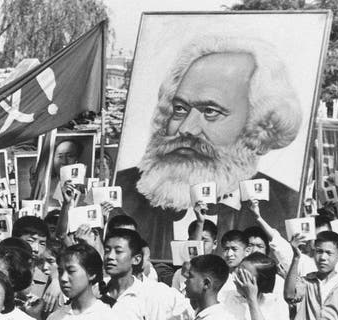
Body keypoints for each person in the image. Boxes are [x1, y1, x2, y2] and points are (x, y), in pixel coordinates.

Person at [115, 36, 303, 260]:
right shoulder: (123, 195)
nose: (186, 129)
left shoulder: (284, 205)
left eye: (210, 111)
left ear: (257, 126)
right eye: (180, 108)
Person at [103, 228, 190, 320]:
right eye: (107, 251)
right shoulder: (95, 291)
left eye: (118, 251)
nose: (110, 256)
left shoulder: (153, 294)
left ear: (136, 259)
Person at [284, 231, 338, 320]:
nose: (323, 257)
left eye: (328, 253)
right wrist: (296, 257)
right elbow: (289, 296)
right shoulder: (306, 282)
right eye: (319, 251)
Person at [47, 244, 117, 320]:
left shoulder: (107, 316)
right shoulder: (55, 317)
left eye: (71, 271)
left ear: (91, 273)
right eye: (60, 272)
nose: (63, 278)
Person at [223, 252, 289, 320]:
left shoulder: (276, 303)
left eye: (243, 275)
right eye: (238, 269)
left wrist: (251, 299)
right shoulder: (224, 297)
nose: (236, 276)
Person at [184, 254, 236, 320]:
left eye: (190, 276)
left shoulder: (215, 317)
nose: (185, 281)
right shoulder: (201, 313)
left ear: (206, 283)